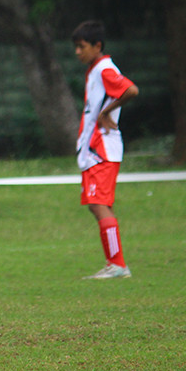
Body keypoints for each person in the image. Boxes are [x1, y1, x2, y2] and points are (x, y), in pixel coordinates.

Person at [71, 20, 139, 280]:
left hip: (101, 150)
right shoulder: (95, 70)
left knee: (99, 204)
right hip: (93, 150)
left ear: (97, 46)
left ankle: (117, 265)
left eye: (82, 46)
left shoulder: (104, 69)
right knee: (97, 205)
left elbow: (131, 90)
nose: (78, 52)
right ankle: (115, 263)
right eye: (76, 47)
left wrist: (106, 112)